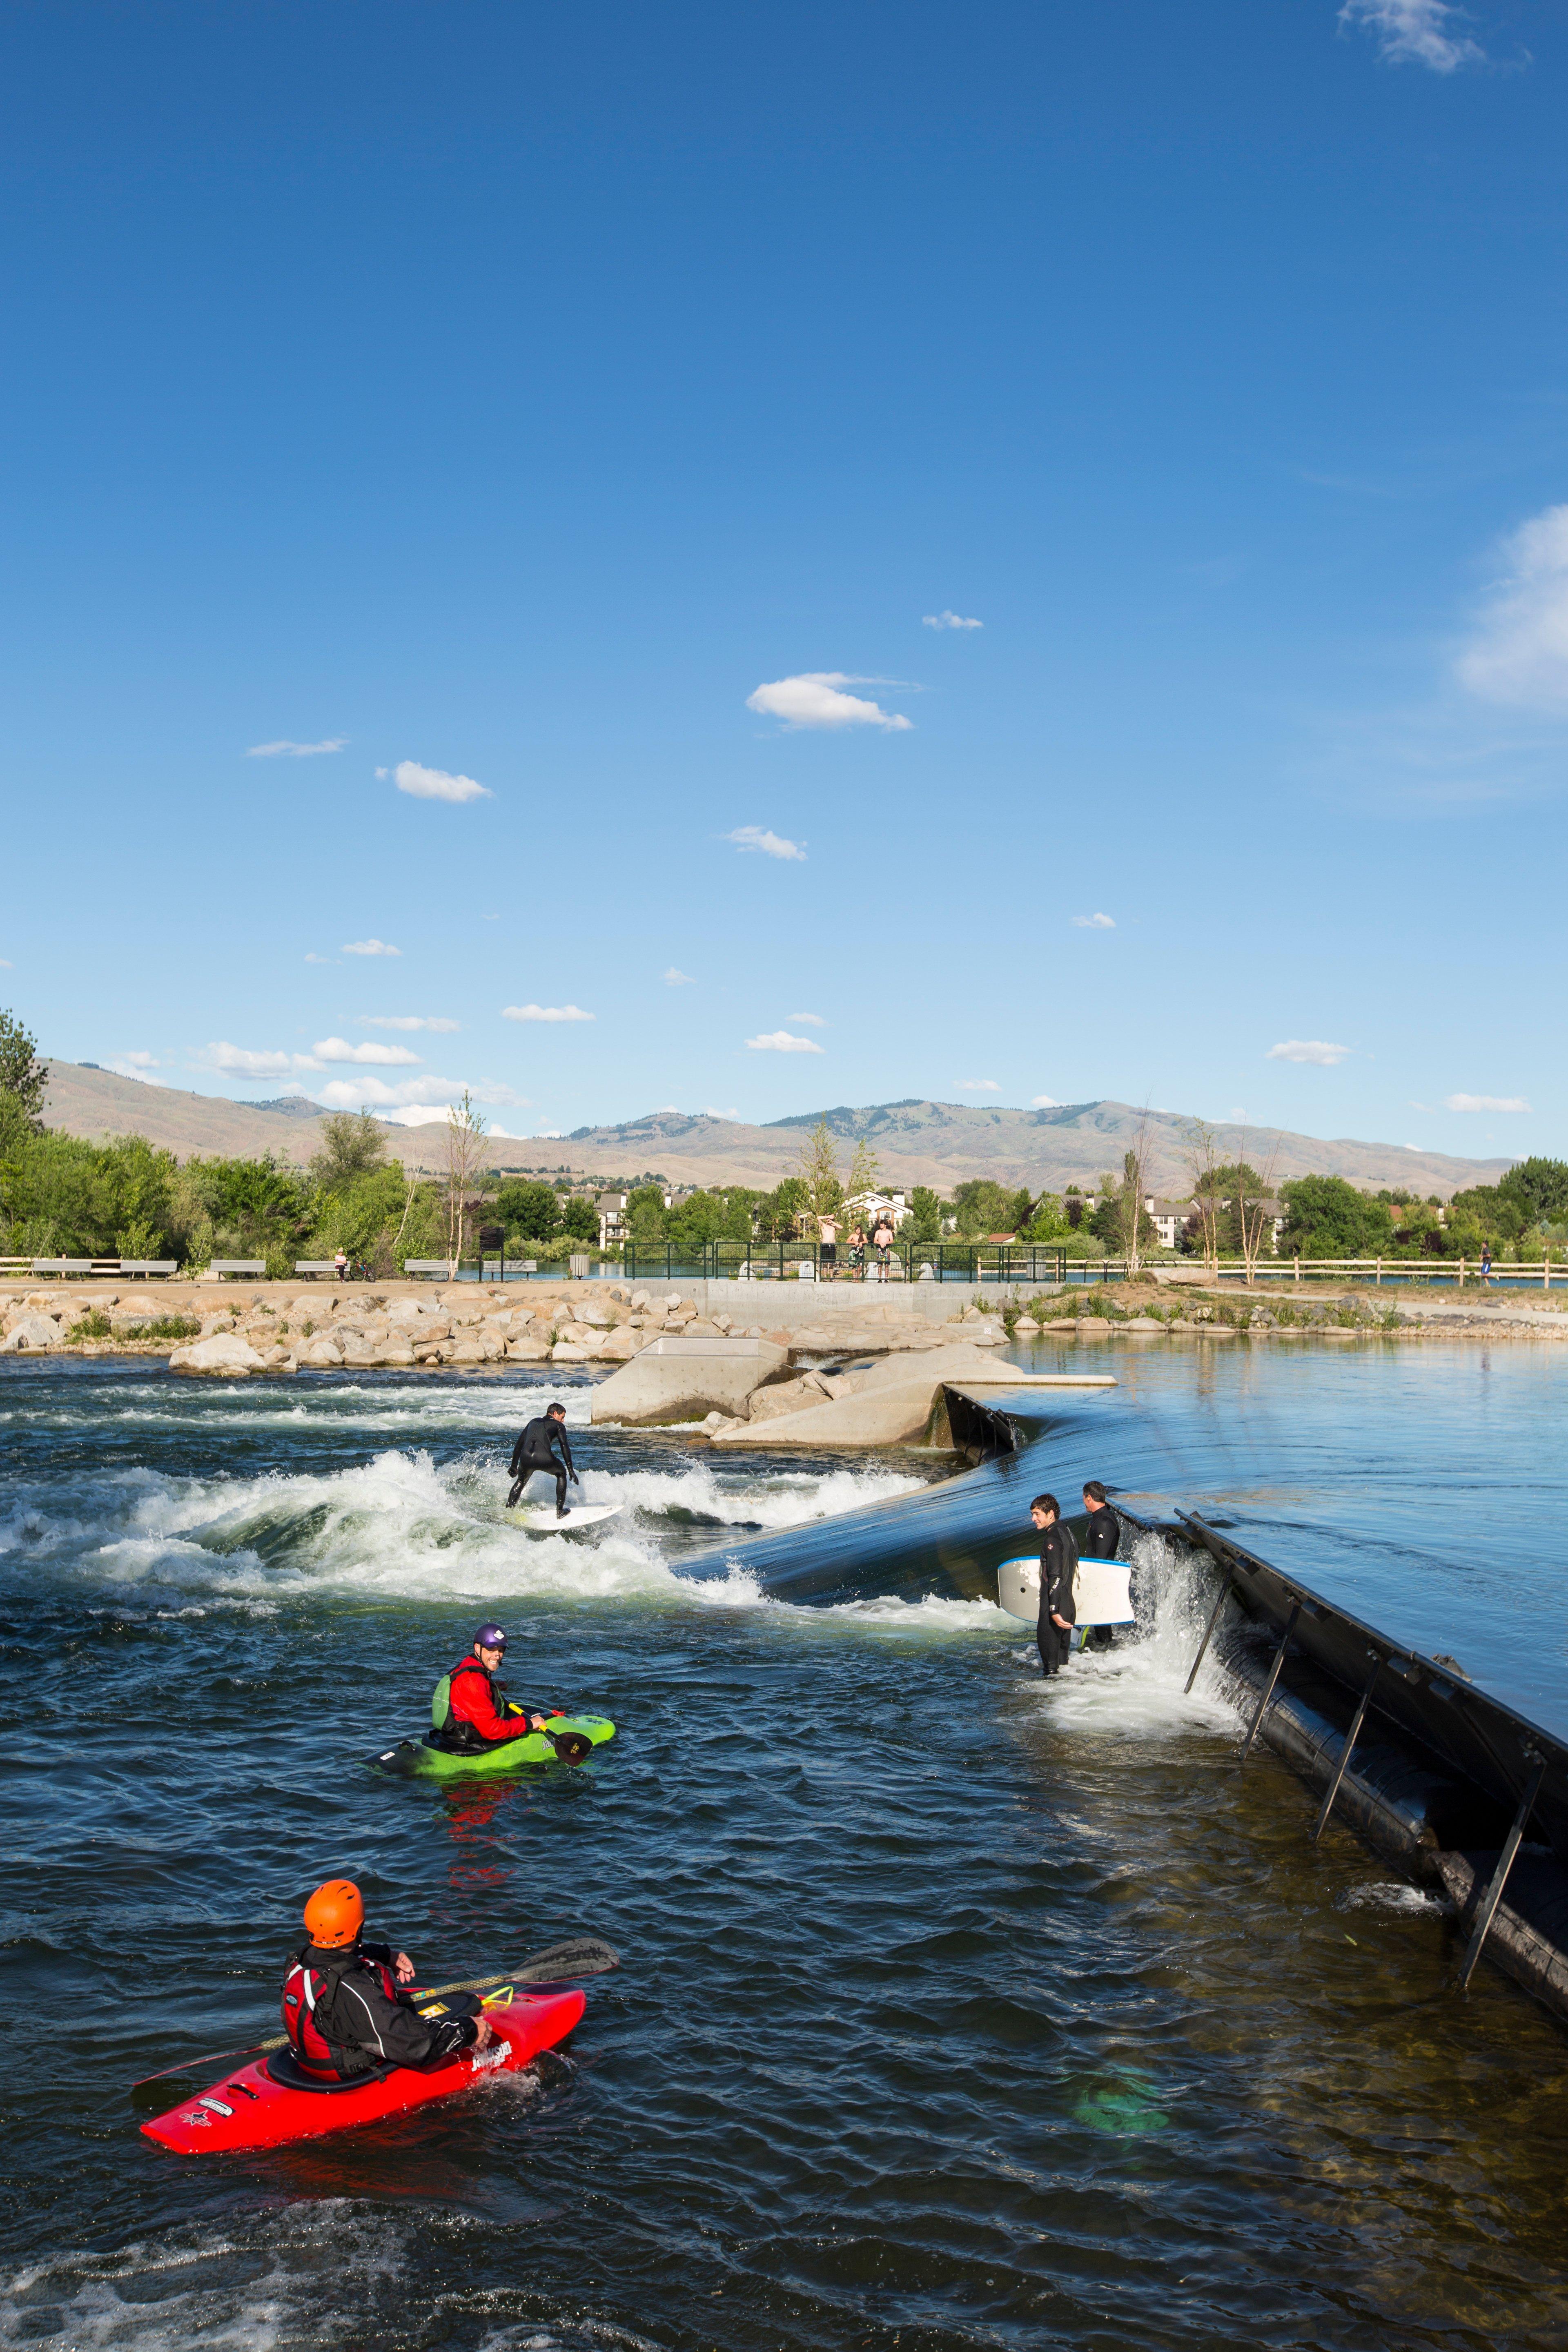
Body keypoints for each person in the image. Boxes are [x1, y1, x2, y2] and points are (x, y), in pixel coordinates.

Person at [281, 1878, 495, 2080]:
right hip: (348, 2074)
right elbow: (413, 2046)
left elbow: (342, 1954)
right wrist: (467, 2031)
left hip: (312, 2063)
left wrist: (386, 1955)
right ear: (358, 1928)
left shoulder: (302, 1959)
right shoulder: (354, 1988)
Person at [432, 1621, 551, 1753]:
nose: (497, 1655)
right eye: (491, 1649)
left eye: (501, 1650)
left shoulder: (470, 1665)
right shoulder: (473, 1681)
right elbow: (492, 1730)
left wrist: (492, 1688)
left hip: (454, 1733)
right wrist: (529, 1724)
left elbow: (468, 1694)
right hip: (469, 1739)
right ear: (478, 1648)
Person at [1031, 1491, 1077, 1677]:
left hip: (1055, 1612)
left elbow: (1055, 1576)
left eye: (1037, 1514)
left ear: (1050, 1514)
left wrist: (1053, 1612)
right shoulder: (1068, 1532)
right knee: (1063, 1667)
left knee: (1050, 1672)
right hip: (1068, 1606)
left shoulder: (1052, 1539)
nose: (1033, 1519)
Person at [508, 1400, 579, 1517]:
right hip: (543, 1458)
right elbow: (564, 1446)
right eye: (562, 1417)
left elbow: (519, 1445)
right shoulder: (559, 1426)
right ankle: (560, 1511)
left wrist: (514, 1466)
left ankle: (509, 1510)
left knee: (521, 1481)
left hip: (525, 1458)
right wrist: (571, 1469)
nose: (563, 1421)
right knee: (561, 1473)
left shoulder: (533, 1422)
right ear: (555, 1414)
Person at [1081, 1480, 1118, 1558]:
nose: (1083, 1501)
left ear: (1089, 1498)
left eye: (1083, 1498)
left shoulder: (1105, 1522)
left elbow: (1101, 1559)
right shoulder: (1098, 1519)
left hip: (1102, 1570)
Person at [872, 1214, 895, 1281]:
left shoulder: (889, 1232)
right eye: (880, 1224)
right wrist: (880, 1243)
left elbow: (892, 1241)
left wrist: (886, 1243)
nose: (881, 1225)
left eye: (882, 1224)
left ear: (886, 1225)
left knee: (887, 1265)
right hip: (880, 1250)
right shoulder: (878, 1232)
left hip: (887, 1250)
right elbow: (875, 1241)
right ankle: (880, 1279)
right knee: (880, 1265)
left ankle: (886, 1279)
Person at [819, 1213, 839, 1278]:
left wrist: (832, 1222)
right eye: (829, 1219)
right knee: (825, 1263)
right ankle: (825, 1278)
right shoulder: (823, 1225)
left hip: (832, 1246)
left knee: (832, 1263)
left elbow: (841, 1227)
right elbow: (818, 1218)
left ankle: (831, 1277)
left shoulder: (834, 1227)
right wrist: (827, 1216)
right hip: (825, 1246)